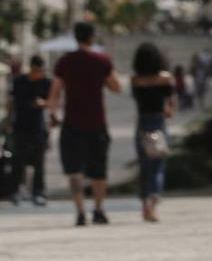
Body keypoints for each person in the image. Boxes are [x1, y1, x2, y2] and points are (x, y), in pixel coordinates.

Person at [47, 22, 122, 226]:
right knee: (99, 170)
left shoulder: (65, 62)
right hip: (97, 123)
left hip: (72, 123)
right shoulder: (102, 60)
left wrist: (53, 114)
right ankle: (98, 210)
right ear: (92, 37)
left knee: (74, 171)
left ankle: (80, 212)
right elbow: (117, 87)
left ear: (75, 37)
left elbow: (55, 91)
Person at [131, 43, 176, 222]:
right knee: (158, 167)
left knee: (144, 167)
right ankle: (153, 204)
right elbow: (171, 109)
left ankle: (145, 206)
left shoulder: (136, 80)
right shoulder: (165, 79)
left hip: (142, 123)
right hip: (159, 123)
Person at [5, 55, 51, 205]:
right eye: (36, 70)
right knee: (18, 161)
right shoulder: (19, 81)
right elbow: (11, 102)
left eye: (40, 71)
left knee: (39, 162)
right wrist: (8, 120)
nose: (38, 73)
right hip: (20, 126)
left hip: (38, 127)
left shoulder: (46, 82)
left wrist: (43, 103)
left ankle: (38, 192)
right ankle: (15, 190)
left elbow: (52, 101)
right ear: (31, 67)